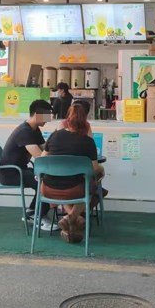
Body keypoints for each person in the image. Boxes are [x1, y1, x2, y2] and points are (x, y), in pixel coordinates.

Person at [41, 102, 104, 244]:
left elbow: (41, 160)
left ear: (67, 119)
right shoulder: (88, 142)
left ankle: (69, 220)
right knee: (91, 185)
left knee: (67, 185)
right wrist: (102, 170)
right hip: (75, 190)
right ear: (84, 122)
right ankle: (72, 217)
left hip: (48, 189)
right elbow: (93, 169)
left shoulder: (54, 136)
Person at [0, 99, 58, 231]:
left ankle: (32, 212)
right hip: (10, 174)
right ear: (37, 114)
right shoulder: (24, 131)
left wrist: (57, 144)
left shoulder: (34, 130)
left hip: (21, 170)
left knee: (45, 180)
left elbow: (45, 149)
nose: (48, 120)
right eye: (46, 116)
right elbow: (40, 158)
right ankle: (38, 217)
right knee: (47, 183)